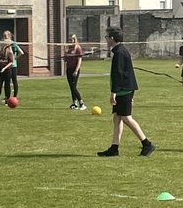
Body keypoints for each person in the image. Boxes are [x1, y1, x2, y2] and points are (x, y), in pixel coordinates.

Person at [98, 27, 155, 157]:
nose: (106, 39)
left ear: (112, 38)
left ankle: (147, 143)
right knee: (117, 118)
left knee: (126, 117)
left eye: (106, 37)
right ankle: (114, 148)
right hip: (124, 89)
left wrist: (113, 93)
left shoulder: (119, 53)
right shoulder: (119, 51)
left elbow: (118, 75)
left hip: (123, 90)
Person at [0, 30, 20, 105]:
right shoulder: (2, 50)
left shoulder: (11, 48)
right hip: (3, 68)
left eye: (5, 36)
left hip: (9, 67)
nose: (4, 37)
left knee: (9, 83)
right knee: (0, 83)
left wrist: (13, 60)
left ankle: (10, 98)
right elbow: (1, 60)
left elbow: (19, 54)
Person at [64, 34, 85, 110]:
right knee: (71, 87)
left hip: (74, 69)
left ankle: (81, 103)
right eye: (69, 39)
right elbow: (66, 60)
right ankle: (74, 103)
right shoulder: (69, 49)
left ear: (75, 39)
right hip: (68, 69)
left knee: (73, 87)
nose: (71, 41)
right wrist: (65, 54)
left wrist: (76, 70)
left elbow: (79, 60)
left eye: (72, 39)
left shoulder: (78, 48)